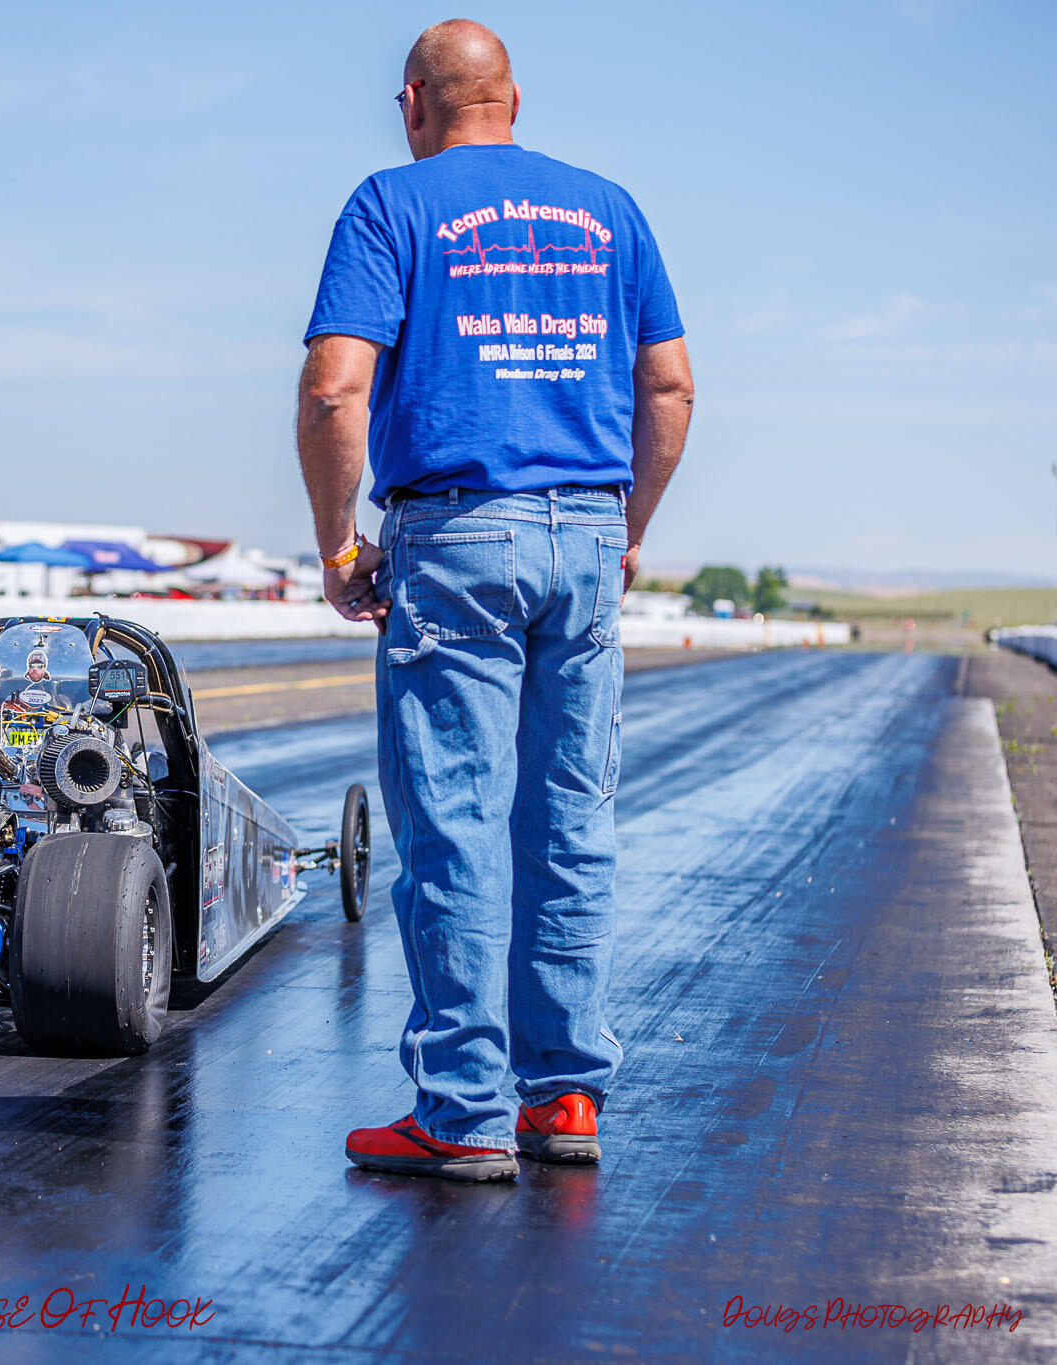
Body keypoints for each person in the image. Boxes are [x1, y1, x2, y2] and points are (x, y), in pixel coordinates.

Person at [295, 19, 695, 1181]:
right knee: (570, 823)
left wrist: (335, 547)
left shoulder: (392, 203)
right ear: (510, 103)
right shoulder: (609, 210)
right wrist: (623, 531)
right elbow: (667, 387)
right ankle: (562, 1098)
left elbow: (333, 392)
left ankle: (461, 1110)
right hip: (583, 529)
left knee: (453, 826)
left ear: (413, 100)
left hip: (457, 535)